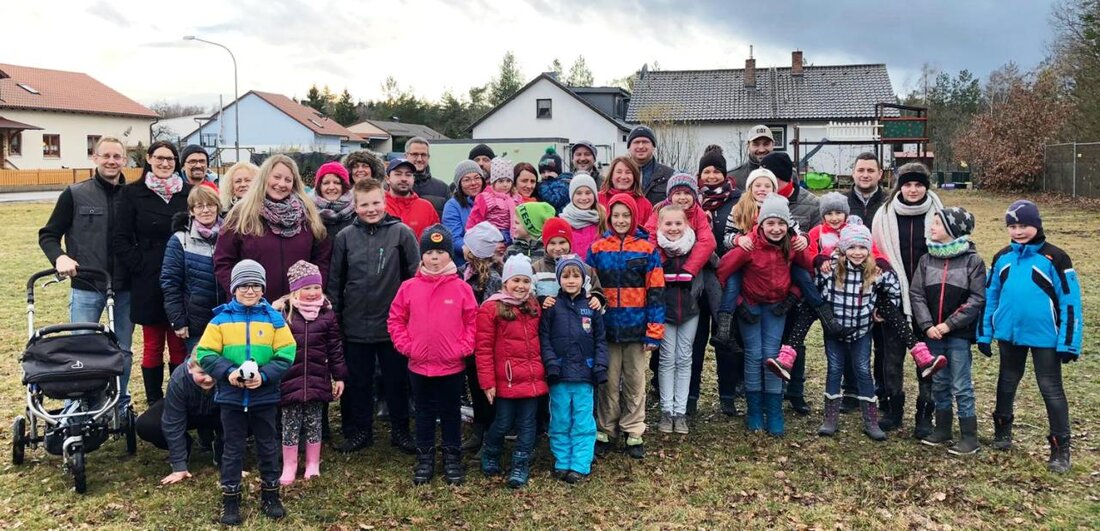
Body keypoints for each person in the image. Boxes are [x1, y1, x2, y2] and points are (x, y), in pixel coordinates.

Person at [979, 200, 1082, 473]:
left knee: (1051, 389)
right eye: (1012, 226)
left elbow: (1070, 302)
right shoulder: (1002, 257)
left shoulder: (1056, 258)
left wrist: (1069, 343)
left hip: (1045, 337)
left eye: (1023, 225)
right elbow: (990, 297)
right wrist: (984, 333)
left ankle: (1060, 448)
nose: (1018, 231)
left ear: (1036, 224)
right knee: (1006, 382)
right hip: (1009, 335)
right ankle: (1002, 432)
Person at [38, 136, 136, 410]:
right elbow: (48, 235)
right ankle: (83, 405)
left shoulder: (133, 196)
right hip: (86, 286)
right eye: (106, 155)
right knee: (82, 349)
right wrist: (60, 257)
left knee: (123, 352)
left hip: (125, 288)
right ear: (95, 158)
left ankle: (120, 402)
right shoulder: (75, 194)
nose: (111, 161)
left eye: (117, 156)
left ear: (124, 160)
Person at [196, 260, 294, 525]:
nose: (249, 291)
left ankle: (271, 495)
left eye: (255, 286)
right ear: (233, 288)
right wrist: (228, 372)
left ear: (262, 288)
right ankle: (230, 498)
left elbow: (286, 354)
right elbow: (205, 353)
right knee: (232, 447)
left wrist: (263, 376)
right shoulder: (220, 320)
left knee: (267, 445)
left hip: (265, 396)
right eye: (243, 286)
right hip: (231, 397)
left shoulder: (274, 320)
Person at [328, 176, 420, 454]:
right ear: (355, 206)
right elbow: (335, 281)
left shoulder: (401, 233)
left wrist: (410, 319)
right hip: (355, 325)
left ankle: (401, 431)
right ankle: (361, 432)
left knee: (397, 381)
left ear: (385, 201)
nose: (371, 209)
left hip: (393, 326)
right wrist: (337, 319)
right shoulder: (345, 237)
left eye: (376, 203)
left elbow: (414, 278)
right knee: (359, 382)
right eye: (365, 204)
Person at [716, 194, 813, 437]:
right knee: (754, 355)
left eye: (781, 223)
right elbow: (722, 273)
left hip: (777, 307)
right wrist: (738, 303)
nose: (776, 228)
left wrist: (792, 295)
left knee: (772, 357)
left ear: (788, 225)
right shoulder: (749, 245)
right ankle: (755, 410)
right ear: (761, 224)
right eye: (770, 223)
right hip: (751, 306)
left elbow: (808, 269)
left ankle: (775, 410)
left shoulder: (791, 245)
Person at [389, 225, 478, 485]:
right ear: (422, 255)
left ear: (450, 255)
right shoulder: (409, 287)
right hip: (419, 365)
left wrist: (463, 348)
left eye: (440, 252)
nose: (435, 258)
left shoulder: (461, 289)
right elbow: (396, 319)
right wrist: (407, 346)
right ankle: (425, 457)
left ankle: (452, 457)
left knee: (451, 413)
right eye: (429, 252)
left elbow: (473, 321)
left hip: (451, 366)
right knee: (424, 413)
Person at [113, 140, 193, 406]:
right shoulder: (133, 193)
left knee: (180, 342)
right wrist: (141, 264)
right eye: (159, 158)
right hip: (148, 278)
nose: (165, 163)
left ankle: (180, 396)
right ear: (149, 159)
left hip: (182, 277)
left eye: (170, 159)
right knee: (153, 343)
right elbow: (121, 237)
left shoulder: (188, 193)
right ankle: (154, 400)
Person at [587, 193, 665, 459]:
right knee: (608, 381)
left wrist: (654, 330)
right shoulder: (598, 248)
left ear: (634, 217)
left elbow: (656, 291)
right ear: (608, 217)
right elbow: (590, 287)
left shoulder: (647, 250)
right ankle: (606, 429)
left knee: (635, 381)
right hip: (606, 328)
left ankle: (634, 430)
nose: (620, 220)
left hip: (636, 327)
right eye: (616, 215)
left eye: (626, 215)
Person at [871, 162, 945, 436]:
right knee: (892, 358)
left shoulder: (941, 214)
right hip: (894, 296)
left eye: (918, 184)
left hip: (930, 299)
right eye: (908, 184)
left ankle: (925, 413)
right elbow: (875, 258)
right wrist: (879, 298)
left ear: (926, 186)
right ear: (898, 186)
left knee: (928, 359)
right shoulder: (884, 215)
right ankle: (893, 410)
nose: (913, 190)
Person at [910, 208, 986, 455]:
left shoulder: (972, 261)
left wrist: (949, 324)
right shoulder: (926, 259)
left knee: (961, 384)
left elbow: (976, 298)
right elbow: (917, 294)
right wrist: (927, 325)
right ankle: (942, 428)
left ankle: (969, 436)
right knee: (939, 382)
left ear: (954, 230)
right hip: (933, 335)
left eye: (937, 223)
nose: (932, 227)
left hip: (958, 336)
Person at [811, 222, 896, 441]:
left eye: (862, 248)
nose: (857, 253)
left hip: (862, 330)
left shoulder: (875, 271)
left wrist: (883, 310)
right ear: (843, 249)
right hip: (835, 331)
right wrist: (825, 314)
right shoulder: (831, 269)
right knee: (834, 368)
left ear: (868, 249)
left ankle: (871, 420)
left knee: (862, 369)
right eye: (851, 248)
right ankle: (830, 418)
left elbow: (893, 288)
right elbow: (815, 289)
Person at [214, 154, 331, 304]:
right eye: (276, 177)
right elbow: (223, 261)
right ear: (264, 178)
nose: (281, 184)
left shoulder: (309, 216)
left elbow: (322, 258)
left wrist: (311, 290)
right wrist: (243, 292)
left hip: (298, 309)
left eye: (288, 180)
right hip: (253, 309)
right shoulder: (241, 214)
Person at [476, 254, 547, 489]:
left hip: (532, 379)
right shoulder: (491, 308)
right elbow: (483, 348)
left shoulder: (534, 306)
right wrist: (487, 382)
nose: (521, 286)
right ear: (506, 282)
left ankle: (520, 463)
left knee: (528, 424)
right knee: (503, 422)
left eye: (525, 281)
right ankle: (491, 450)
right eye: (516, 280)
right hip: (505, 379)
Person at [275, 260, 346, 485]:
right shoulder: (283, 314)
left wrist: (339, 376)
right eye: (307, 288)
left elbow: (335, 347)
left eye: (316, 287)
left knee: (315, 421)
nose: (313, 292)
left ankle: (313, 462)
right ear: (296, 289)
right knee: (290, 423)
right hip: (290, 379)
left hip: (318, 377)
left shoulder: (326, 314)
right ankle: (290, 464)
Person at [539, 254, 608, 483]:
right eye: (566, 276)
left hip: (584, 375)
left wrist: (599, 366)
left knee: (582, 420)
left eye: (576, 276)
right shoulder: (551, 306)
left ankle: (579, 462)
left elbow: (600, 339)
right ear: (559, 279)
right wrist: (551, 364)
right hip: (559, 375)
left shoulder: (591, 307)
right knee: (559, 419)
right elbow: (545, 339)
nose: (571, 281)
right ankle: (562, 460)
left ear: (583, 279)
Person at [691, 145, 743, 417]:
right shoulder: (691, 200)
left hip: (726, 277)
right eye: (706, 171)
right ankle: (691, 396)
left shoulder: (737, 200)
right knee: (696, 340)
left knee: (725, 338)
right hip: (697, 279)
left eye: (716, 171)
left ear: (725, 174)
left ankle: (727, 395)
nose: (711, 176)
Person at [135, 356, 221, 486]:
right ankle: (185, 447)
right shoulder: (179, 379)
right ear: (190, 367)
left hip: (218, 412)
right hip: (186, 412)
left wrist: (232, 462)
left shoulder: (227, 374)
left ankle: (220, 448)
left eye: (212, 372)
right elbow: (172, 423)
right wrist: (179, 466)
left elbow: (235, 420)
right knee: (147, 426)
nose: (208, 379)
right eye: (202, 373)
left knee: (249, 420)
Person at [654, 206, 701, 435]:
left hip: (690, 311)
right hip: (665, 312)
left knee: (684, 358)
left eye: (678, 224)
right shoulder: (657, 250)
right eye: (668, 224)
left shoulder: (694, 248)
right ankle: (666, 410)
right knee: (666, 359)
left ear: (687, 225)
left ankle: (680, 411)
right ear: (659, 226)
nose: (673, 229)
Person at [458, 221, 505, 453]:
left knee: (485, 387)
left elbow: (489, 312)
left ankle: (489, 431)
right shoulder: (464, 273)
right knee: (474, 386)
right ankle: (478, 427)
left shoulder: (492, 278)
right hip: (467, 341)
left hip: (484, 343)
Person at [161, 185, 225, 355]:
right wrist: (178, 320)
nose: (205, 210)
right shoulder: (180, 240)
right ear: (191, 210)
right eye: (199, 206)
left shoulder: (230, 235)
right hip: (196, 322)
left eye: (210, 205)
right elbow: (170, 282)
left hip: (228, 320)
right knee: (200, 371)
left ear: (218, 207)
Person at [532, 217, 605, 305]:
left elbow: (597, 292)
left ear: (570, 243)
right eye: (552, 243)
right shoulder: (536, 269)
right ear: (545, 245)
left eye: (562, 242)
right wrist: (540, 300)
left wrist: (597, 299)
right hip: (546, 317)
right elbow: (527, 297)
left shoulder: (585, 270)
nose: (558, 248)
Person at [466, 157, 520, 244]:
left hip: (513, 236)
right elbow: (475, 218)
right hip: (492, 236)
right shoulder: (486, 198)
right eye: (501, 181)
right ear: (493, 182)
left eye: (508, 181)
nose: (505, 185)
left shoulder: (516, 198)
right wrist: (472, 237)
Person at [443, 160, 486, 267]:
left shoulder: (491, 200)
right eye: (467, 180)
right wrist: (475, 249)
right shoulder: (452, 206)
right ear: (459, 184)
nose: (473, 183)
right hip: (465, 263)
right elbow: (453, 238)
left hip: (493, 261)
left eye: (477, 178)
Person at [384, 158, 440, 239]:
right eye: (398, 174)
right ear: (387, 179)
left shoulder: (426, 208)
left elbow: (437, 240)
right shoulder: (378, 206)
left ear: (413, 178)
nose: (404, 179)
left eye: (408, 174)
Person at [598, 156, 654, 231]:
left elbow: (649, 233)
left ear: (634, 177)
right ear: (611, 176)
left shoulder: (645, 205)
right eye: (619, 172)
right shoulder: (598, 199)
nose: (623, 176)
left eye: (628, 172)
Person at [561, 172, 606, 258]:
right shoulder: (564, 221)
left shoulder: (602, 218)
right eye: (578, 193)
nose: (584, 198)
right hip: (572, 270)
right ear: (572, 195)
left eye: (588, 193)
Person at [627, 126, 675, 205]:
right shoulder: (620, 176)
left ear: (653, 146)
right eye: (636, 142)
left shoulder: (669, 175)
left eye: (645, 142)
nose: (641, 146)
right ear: (629, 147)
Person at [311, 161, 356, 242]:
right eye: (326, 183)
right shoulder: (308, 214)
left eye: (337, 182)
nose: (331, 187)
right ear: (319, 187)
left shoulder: (356, 214)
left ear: (344, 186)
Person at [405, 136, 450, 216]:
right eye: (415, 154)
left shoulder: (442, 188)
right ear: (406, 156)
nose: (419, 159)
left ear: (428, 157)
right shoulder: (393, 187)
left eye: (423, 155)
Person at [846, 152, 888, 227]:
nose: (865, 175)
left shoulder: (889, 202)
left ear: (880, 174)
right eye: (861, 170)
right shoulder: (841, 202)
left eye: (870, 171)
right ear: (853, 173)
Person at [728, 125, 775, 190]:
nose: (761, 150)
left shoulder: (789, 176)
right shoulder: (733, 178)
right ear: (748, 145)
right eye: (756, 144)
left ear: (773, 145)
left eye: (766, 144)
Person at [535, 147, 570, 212]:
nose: (546, 175)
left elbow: (554, 201)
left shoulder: (563, 184)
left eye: (550, 171)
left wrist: (541, 186)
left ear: (558, 172)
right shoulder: (546, 183)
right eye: (543, 172)